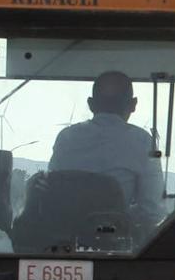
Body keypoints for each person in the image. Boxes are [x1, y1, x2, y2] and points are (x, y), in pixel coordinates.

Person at [47, 71, 165, 227]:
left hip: (60, 238)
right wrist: (118, 218)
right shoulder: (143, 142)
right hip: (115, 244)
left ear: (90, 104)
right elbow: (152, 211)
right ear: (133, 104)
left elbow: (51, 193)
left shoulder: (65, 137)